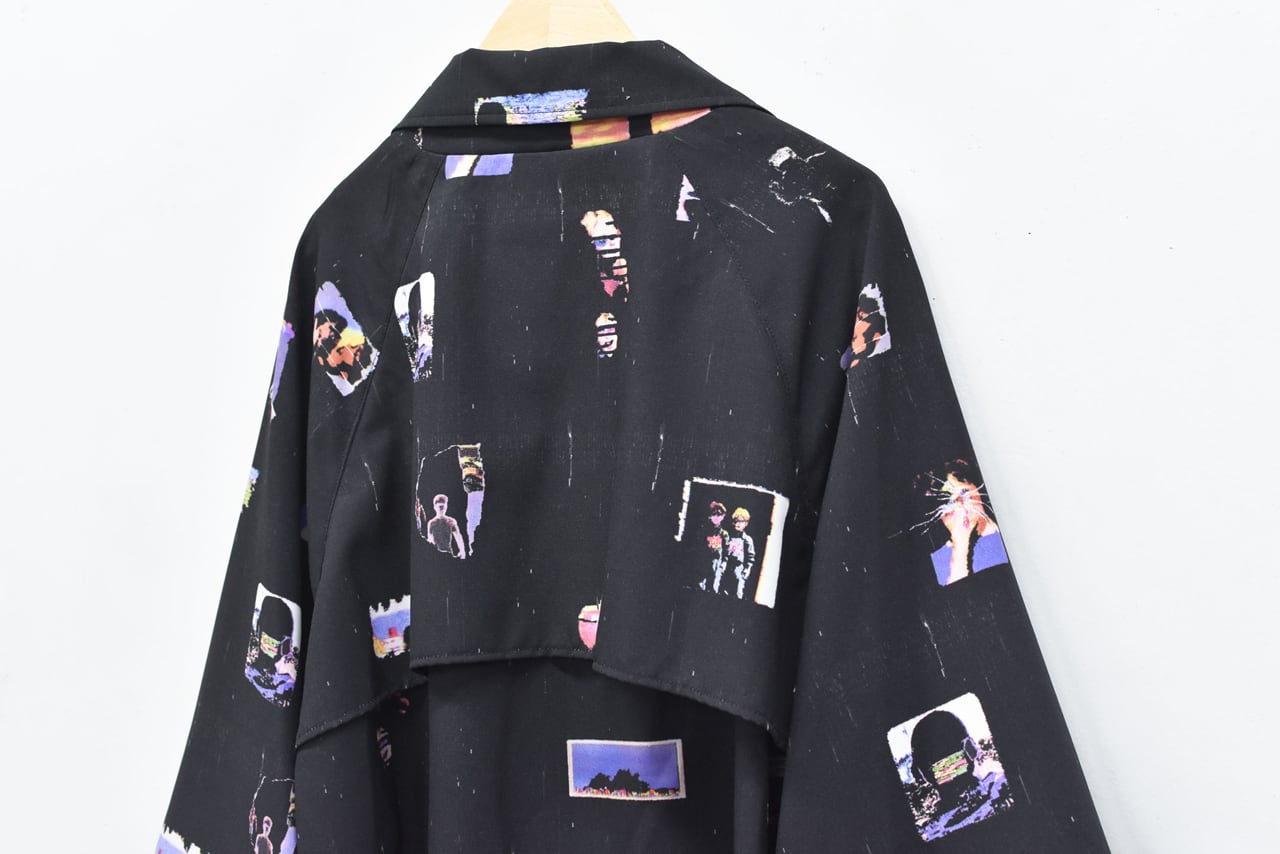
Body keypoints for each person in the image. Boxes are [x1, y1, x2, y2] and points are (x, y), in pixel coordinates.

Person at [724, 507, 756, 599]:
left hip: (739, 569)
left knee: (738, 593)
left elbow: (751, 558)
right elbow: (725, 552)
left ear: (746, 523)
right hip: (728, 568)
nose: (738, 524)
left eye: (741, 521)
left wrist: (747, 569)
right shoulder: (729, 537)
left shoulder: (747, 540)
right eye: (736, 521)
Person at [423, 493, 466, 558]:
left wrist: (462, 551)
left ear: (446, 507)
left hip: (448, 554)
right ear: (435, 507)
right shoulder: (431, 523)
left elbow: (458, 537)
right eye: (440, 507)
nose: (441, 509)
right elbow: (430, 540)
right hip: (435, 555)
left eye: (443, 507)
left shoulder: (451, 522)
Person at [699, 501, 729, 592]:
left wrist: (724, 562)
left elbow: (726, 551)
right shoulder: (704, 530)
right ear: (710, 516)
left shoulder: (724, 534)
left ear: (723, 516)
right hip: (703, 563)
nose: (716, 517)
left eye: (719, 514)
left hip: (716, 564)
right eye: (714, 514)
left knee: (713, 587)